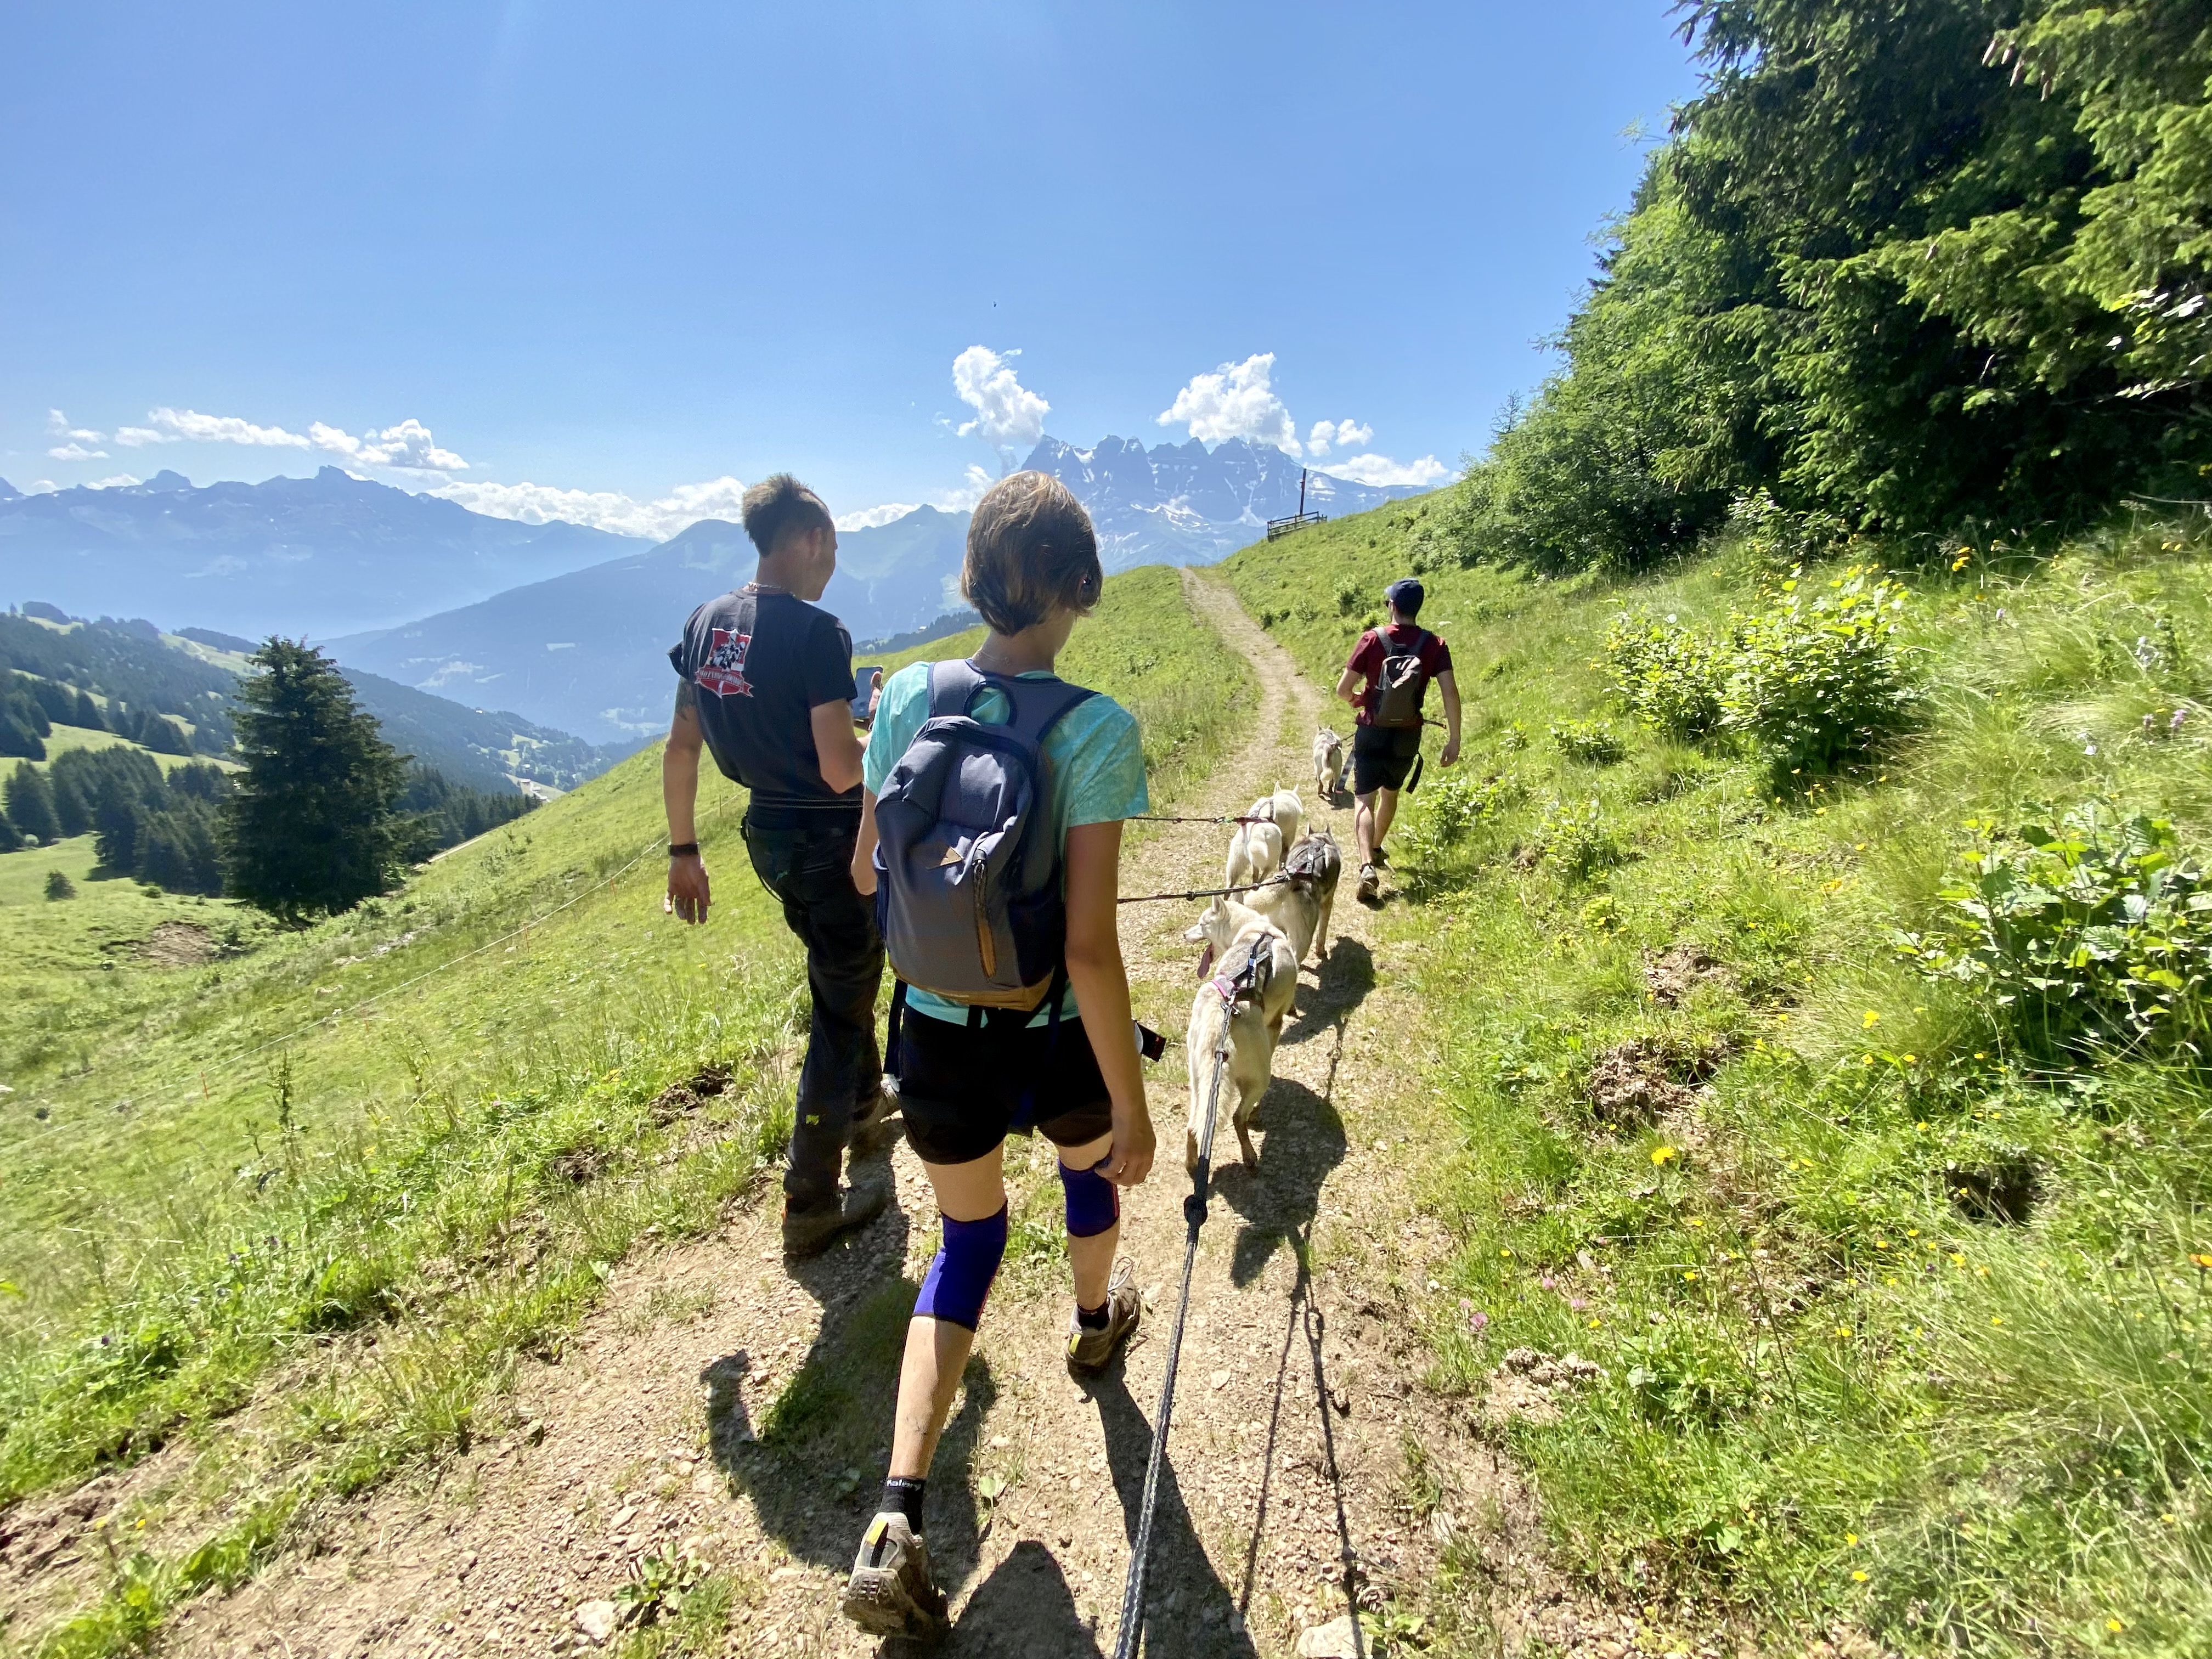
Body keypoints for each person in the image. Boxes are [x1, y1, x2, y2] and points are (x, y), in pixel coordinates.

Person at [837, 472, 1156, 1639]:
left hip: (934, 1033)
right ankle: (1093, 1322)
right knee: (1087, 1169)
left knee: (967, 1241)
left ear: (974, 577)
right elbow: (1089, 948)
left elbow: (867, 871)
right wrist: (1134, 1105)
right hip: (1055, 1036)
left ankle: (896, 1514)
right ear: (1081, 586)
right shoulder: (1098, 728)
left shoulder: (904, 697)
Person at [663, 473, 895, 1258]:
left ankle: (863, 1110)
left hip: (765, 834)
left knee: (842, 972)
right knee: (842, 995)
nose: (833, 563)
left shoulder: (704, 624)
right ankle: (810, 1198)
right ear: (813, 539)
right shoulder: (817, 632)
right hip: (829, 837)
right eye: (833, 547)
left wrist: (684, 851)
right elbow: (840, 768)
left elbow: (683, 747)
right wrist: (885, 735)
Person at [1335, 575, 1462, 901]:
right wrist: (1455, 739)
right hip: (1408, 733)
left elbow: (1343, 689)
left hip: (1372, 730)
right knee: (1390, 794)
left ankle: (1366, 866)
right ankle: (1377, 848)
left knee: (1364, 799)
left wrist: (1356, 700)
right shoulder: (1435, 645)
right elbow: (1450, 692)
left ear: (1392, 605)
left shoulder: (1372, 639)